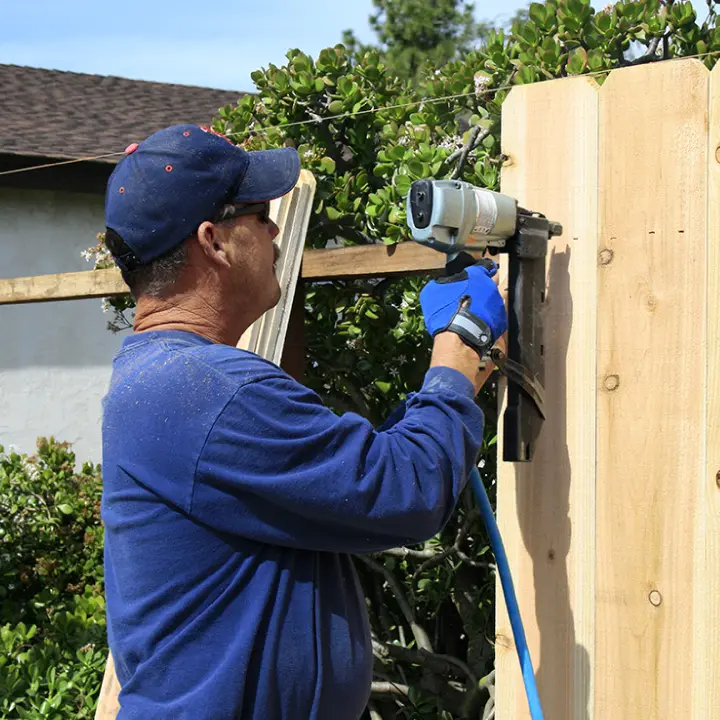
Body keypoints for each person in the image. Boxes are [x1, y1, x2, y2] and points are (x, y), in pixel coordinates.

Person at [100, 123, 508, 720]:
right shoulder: (204, 390)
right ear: (213, 241)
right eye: (259, 214)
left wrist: (450, 381)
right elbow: (403, 490)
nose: (273, 230)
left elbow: (347, 483)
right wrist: (460, 352)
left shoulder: (166, 380)